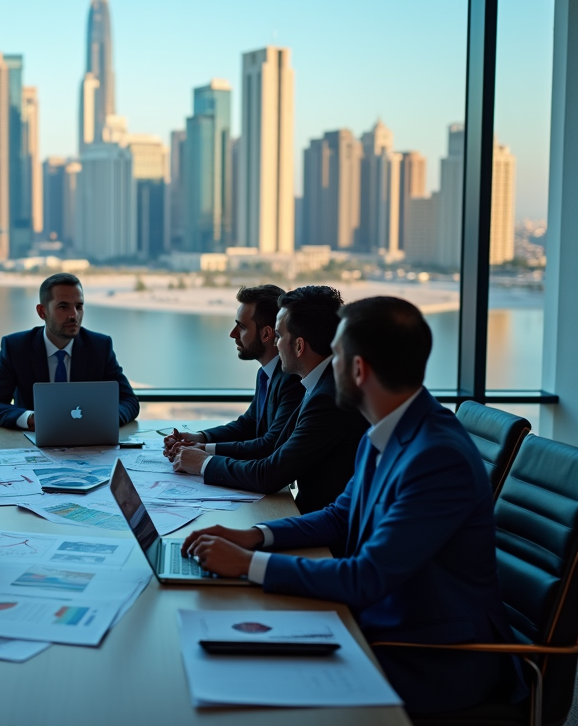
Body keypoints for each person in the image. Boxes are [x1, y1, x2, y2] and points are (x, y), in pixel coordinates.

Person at [182, 297, 517, 714]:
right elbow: (342, 515)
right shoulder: (389, 429)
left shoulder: (436, 456)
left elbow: (367, 576)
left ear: (358, 370)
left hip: (430, 655)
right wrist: (253, 536)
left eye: (336, 353)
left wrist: (248, 565)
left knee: (245, 693)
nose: (327, 364)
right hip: (380, 621)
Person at [172, 285, 367, 514]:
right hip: (311, 516)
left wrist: (203, 462)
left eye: (280, 335)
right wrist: (201, 447)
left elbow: (270, 472)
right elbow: (271, 445)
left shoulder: (327, 397)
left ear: (299, 345)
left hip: (323, 526)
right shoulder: (318, 383)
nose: (275, 343)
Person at [0, 273, 140, 430]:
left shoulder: (99, 347)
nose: (74, 315)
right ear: (42, 312)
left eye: (79, 306)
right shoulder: (16, 347)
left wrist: (105, 420)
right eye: (63, 307)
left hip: (89, 445)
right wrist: (30, 419)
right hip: (31, 447)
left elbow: (129, 401)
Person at [163, 284, 302, 462]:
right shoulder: (265, 374)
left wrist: (203, 450)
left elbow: (269, 445)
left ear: (267, 334)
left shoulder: (292, 380)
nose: (232, 334)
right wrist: (198, 437)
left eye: (242, 327)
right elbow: (248, 424)